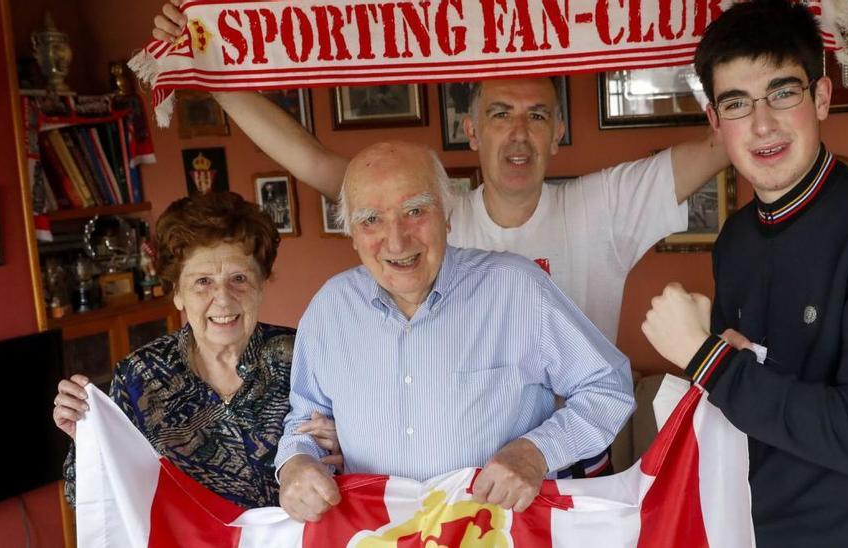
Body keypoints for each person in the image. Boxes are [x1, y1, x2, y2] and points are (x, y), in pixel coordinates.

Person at [153, 0, 728, 476]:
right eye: (501, 113)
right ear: (471, 128)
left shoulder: (605, 204)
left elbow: (721, 143)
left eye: (537, 115)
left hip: (568, 453)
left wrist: (754, 39)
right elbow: (319, 164)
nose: (519, 133)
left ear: (558, 129)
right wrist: (211, 75)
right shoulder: (423, 210)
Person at [639, 1, 848, 545]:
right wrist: (725, 355)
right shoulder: (735, 238)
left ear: (821, 97)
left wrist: (705, 356)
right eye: (736, 104)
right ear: (715, 122)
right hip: (743, 524)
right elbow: (753, 388)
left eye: (782, 93)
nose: (762, 124)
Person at [274, 142, 634, 522]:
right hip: (376, 535)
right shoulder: (330, 308)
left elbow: (609, 387)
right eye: (371, 220)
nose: (396, 241)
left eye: (415, 211)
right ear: (351, 233)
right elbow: (306, 419)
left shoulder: (518, 288)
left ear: (447, 215)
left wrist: (537, 451)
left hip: (500, 534)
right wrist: (296, 462)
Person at [52, 191, 298, 509]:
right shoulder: (140, 375)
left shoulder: (302, 356)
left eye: (239, 278)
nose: (223, 299)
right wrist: (86, 441)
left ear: (261, 285)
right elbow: (82, 498)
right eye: (203, 282)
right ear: (177, 293)